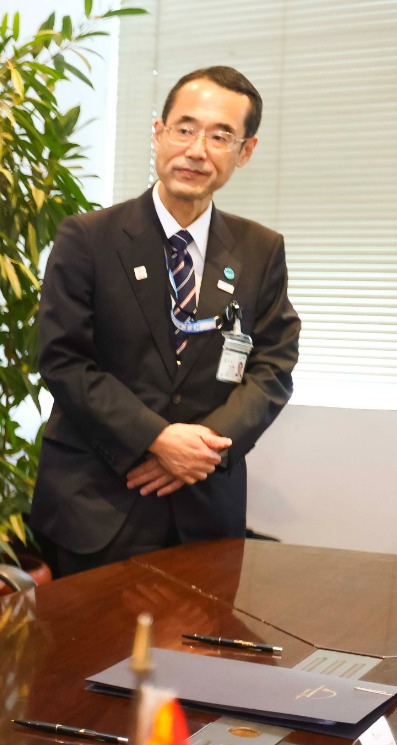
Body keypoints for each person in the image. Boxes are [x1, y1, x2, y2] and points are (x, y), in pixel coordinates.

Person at [30, 66, 299, 575]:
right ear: (158, 133)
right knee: (92, 631)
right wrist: (156, 438)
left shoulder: (260, 250)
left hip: (205, 503)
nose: (197, 150)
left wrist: (202, 449)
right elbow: (64, 361)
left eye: (220, 136)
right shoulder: (88, 238)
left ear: (245, 151)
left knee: (206, 630)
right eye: (185, 129)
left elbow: (273, 367)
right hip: (99, 502)